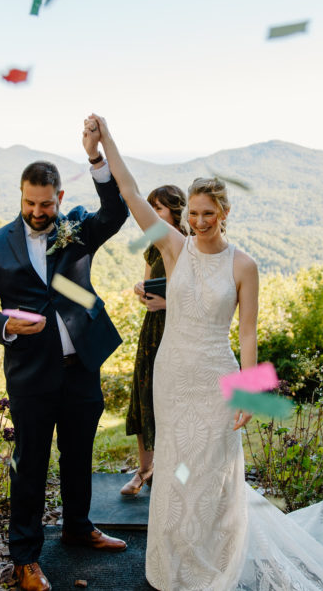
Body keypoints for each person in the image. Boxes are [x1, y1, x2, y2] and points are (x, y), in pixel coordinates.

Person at [86, 114, 323, 591]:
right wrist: (104, 143)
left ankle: (216, 557)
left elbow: (248, 334)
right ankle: (173, 562)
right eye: (194, 212)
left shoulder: (244, 265)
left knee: (211, 473)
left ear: (225, 213)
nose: (200, 221)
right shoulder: (173, 247)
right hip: (171, 376)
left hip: (216, 379)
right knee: (174, 467)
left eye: (209, 213)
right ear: (185, 213)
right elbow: (129, 193)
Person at [0, 130, 130, 591]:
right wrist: (6, 326)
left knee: (79, 457)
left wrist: (96, 158)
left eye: (45, 204)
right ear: (21, 196)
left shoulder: (76, 229)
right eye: (29, 203)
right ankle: (24, 559)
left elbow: (116, 211)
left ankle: (78, 528)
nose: (38, 213)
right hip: (30, 376)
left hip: (82, 370)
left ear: (59, 196)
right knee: (30, 464)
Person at [121, 184, 187, 496]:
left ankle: (178, 471)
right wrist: (141, 291)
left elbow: (201, 298)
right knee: (144, 396)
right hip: (151, 331)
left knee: (173, 402)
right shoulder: (152, 247)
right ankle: (144, 469)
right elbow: (149, 289)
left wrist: (167, 303)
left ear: (175, 211)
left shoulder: (189, 246)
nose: (152, 215)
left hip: (179, 330)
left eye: (157, 209)